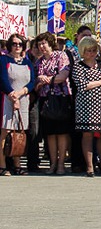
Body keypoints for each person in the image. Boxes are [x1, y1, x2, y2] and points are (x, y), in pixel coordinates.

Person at [70, 36, 101, 177]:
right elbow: (82, 85)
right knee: (88, 136)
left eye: (94, 50)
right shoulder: (78, 66)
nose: (91, 53)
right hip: (86, 106)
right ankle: (90, 167)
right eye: (88, 50)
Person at [34, 31, 72, 175]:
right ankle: (53, 163)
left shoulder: (61, 56)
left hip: (61, 98)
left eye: (44, 43)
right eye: (39, 44)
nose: (42, 47)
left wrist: (47, 79)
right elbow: (36, 82)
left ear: (50, 43)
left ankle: (61, 164)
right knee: (50, 134)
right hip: (46, 100)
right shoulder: (39, 62)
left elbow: (63, 75)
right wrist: (40, 82)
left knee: (61, 133)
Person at [1, 33, 36, 175]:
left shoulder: (27, 62)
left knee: (19, 132)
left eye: (20, 44)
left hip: (23, 99)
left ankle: (17, 164)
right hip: (7, 99)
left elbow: (32, 81)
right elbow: (3, 79)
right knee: (5, 132)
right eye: (14, 44)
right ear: (10, 45)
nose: (17, 46)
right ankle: (2, 165)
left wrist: (22, 92)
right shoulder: (3, 59)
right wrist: (12, 96)